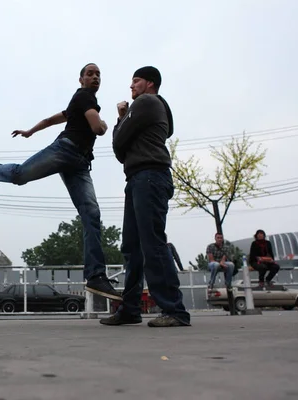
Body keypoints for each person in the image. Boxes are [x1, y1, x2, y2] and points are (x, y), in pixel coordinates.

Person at [0, 63, 120, 301]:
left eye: (98, 74)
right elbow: (98, 128)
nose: (95, 77)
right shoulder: (84, 96)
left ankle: (96, 276)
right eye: (90, 74)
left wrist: (30, 131)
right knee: (19, 176)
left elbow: (50, 120)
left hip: (79, 164)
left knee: (91, 214)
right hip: (65, 151)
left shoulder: (77, 103)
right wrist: (105, 124)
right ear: (81, 80)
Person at [100, 66, 190, 327]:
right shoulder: (145, 109)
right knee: (132, 247)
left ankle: (174, 310)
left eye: (136, 81)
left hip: (149, 176)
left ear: (150, 83)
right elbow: (121, 153)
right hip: (138, 178)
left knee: (152, 243)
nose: (131, 87)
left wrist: (121, 117)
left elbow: (118, 144)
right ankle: (130, 310)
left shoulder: (147, 102)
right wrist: (123, 125)